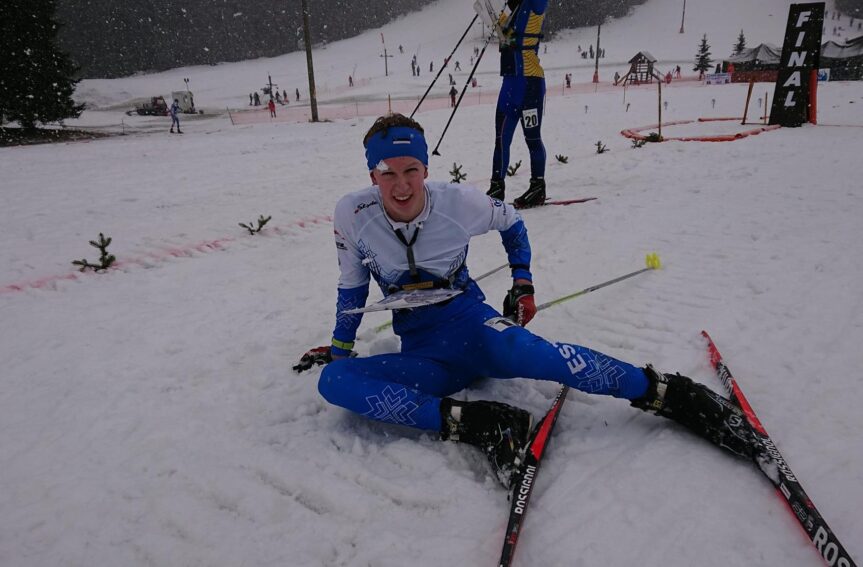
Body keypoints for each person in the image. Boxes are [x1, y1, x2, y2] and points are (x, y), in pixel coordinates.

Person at [293, 113, 767, 487]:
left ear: (425, 169)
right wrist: (338, 349)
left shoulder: (458, 202)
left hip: (473, 327)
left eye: (411, 171)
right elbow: (351, 287)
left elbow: (513, 223)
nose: (401, 186)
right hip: (424, 355)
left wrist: (523, 283)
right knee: (335, 382)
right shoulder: (352, 214)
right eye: (387, 173)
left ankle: (666, 392)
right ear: (371, 174)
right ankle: (481, 423)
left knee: (539, 356)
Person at [486, 0, 549, 209]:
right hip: (509, 86)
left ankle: (538, 186)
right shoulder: (511, 9)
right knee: (501, 141)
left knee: (532, 138)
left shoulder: (534, 4)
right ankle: (496, 187)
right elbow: (505, 32)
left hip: (530, 85)